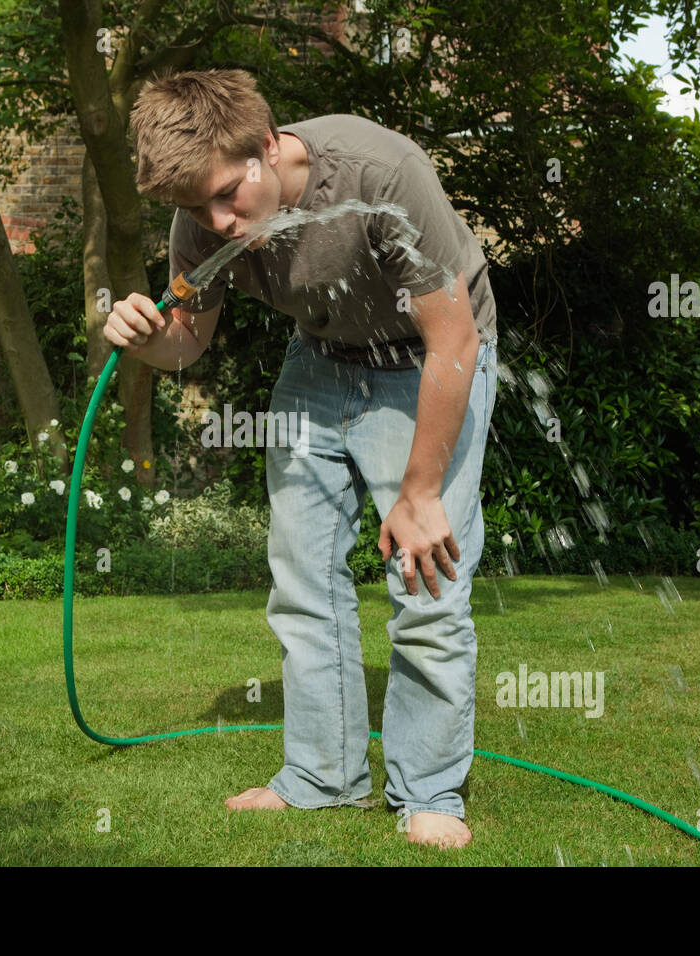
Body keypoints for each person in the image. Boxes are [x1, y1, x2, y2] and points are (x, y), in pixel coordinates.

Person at [103, 68, 499, 850]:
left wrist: (419, 495)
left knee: (425, 577)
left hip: (428, 362)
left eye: (225, 196)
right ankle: (323, 778)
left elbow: (454, 338)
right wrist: (150, 340)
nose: (215, 222)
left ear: (264, 146)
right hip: (319, 363)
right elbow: (189, 345)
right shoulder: (200, 221)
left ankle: (429, 790)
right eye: (194, 208)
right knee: (302, 580)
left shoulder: (379, 172)